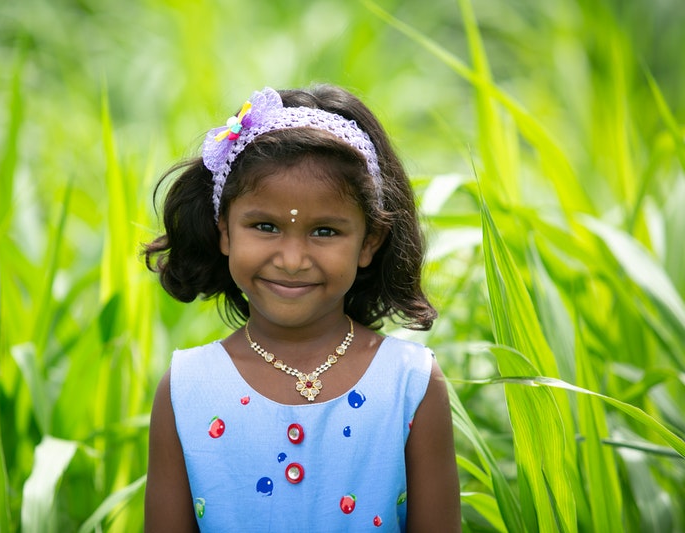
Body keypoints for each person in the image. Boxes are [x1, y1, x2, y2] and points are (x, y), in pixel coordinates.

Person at [143, 84, 460, 532]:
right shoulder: (186, 388)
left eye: (325, 231)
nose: (292, 260)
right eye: (265, 226)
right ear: (224, 233)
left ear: (369, 242)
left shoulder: (411, 383)